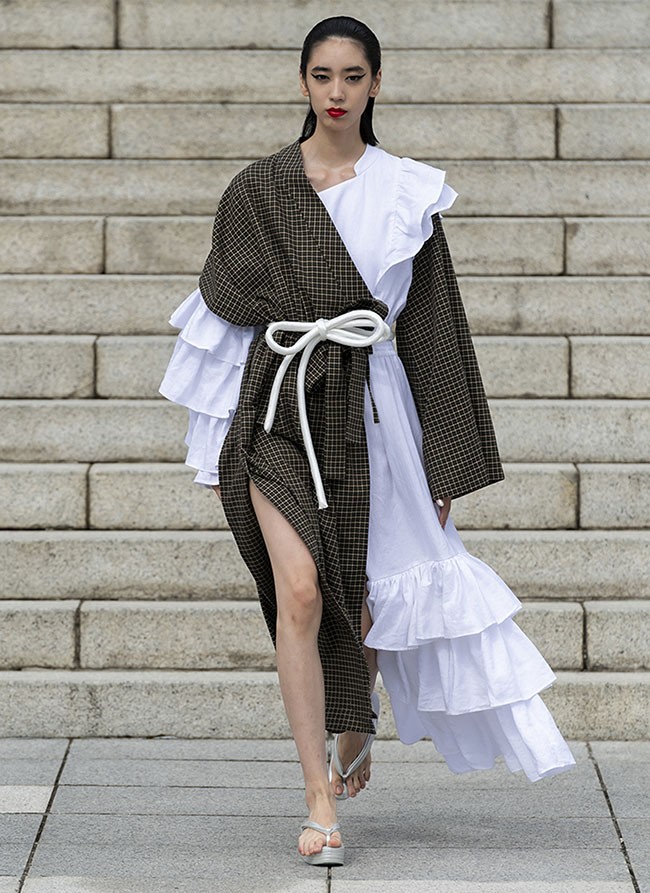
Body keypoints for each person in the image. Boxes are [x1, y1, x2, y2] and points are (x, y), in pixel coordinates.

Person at [160, 15, 576, 868]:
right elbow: (224, 319)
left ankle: (356, 720)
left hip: (375, 407)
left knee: (373, 595)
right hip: (279, 404)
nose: (337, 92)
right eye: (322, 76)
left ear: (376, 84)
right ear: (302, 82)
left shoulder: (405, 191)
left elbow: (434, 331)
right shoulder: (258, 190)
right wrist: (214, 439)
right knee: (302, 589)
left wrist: (445, 457)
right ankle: (318, 796)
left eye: (353, 76)